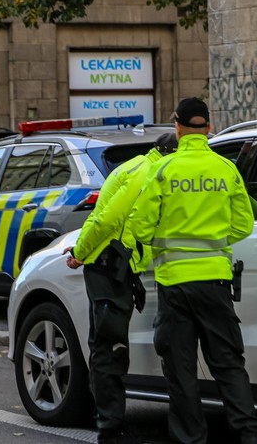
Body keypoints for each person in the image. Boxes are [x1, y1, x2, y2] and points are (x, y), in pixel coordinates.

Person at [127, 98, 257, 444]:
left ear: (176, 127)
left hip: (175, 285)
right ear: (208, 127)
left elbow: (140, 227)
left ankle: (191, 439)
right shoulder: (226, 169)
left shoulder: (164, 170)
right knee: (229, 365)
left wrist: (164, 240)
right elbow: (244, 224)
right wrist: (214, 239)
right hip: (216, 282)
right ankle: (250, 436)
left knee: (181, 371)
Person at [62, 132, 178, 444]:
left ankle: (106, 418)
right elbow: (107, 221)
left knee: (106, 344)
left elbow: (102, 215)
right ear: (168, 154)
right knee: (110, 347)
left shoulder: (137, 166)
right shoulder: (146, 173)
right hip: (108, 267)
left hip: (111, 266)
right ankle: (109, 429)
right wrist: (80, 253)